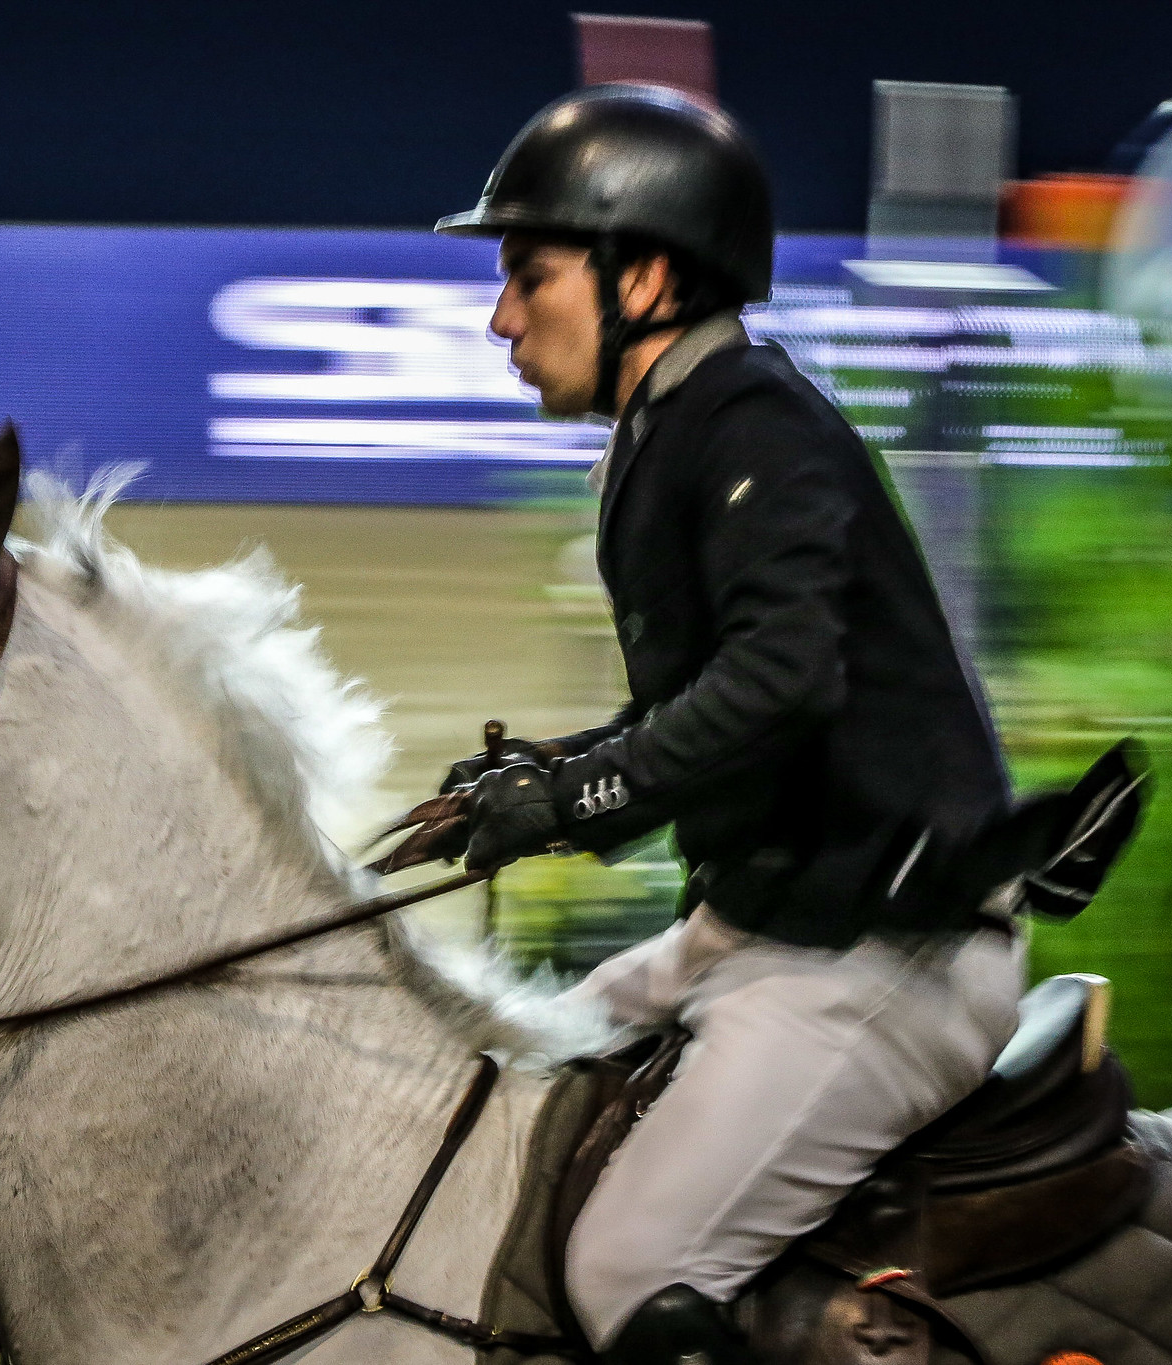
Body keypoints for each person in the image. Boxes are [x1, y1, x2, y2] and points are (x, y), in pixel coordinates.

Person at [428, 85, 1030, 1364]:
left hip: (885, 957)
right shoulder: (670, 431)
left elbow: (779, 685)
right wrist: (543, 777)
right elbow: (689, 712)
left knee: (625, 1266)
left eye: (526, 276)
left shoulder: (753, 422)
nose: (499, 318)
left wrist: (572, 803)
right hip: (765, 933)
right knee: (504, 1094)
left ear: (640, 276)